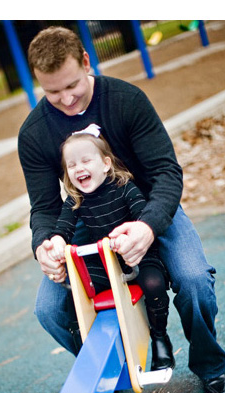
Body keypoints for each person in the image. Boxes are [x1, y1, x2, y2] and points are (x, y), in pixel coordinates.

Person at [19, 26, 225, 393]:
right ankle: (109, 370)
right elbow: (45, 207)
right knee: (48, 310)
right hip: (86, 220)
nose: (66, 99)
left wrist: (148, 227)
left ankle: (210, 364)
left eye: (72, 85)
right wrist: (43, 245)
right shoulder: (34, 133)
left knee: (195, 279)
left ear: (86, 62)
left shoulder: (126, 100)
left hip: (147, 207)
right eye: (52, 92)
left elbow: (167, 173)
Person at [47, 123, 175, 372]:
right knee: (77, 296)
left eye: (85, 161)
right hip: (105, 263)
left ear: (105, 164)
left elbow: (141, 216)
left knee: (153, 284)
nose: (78, 168)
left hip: (134, 254)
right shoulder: (76, 199)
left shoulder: (124, 187)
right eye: (71, 165)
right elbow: (63, 227)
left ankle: (160, 337)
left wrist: (129, 237)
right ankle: (91, 357)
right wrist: (57, 242)